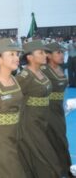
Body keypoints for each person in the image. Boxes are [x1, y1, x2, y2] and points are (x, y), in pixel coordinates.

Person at [16, 40, 63, 177]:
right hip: (31, 122)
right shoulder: (24, 76)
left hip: (44, 119)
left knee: (40, 153)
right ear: (30, 57)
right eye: (40, 52)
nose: (45, 55)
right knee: (45, 154)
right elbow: (15, 97)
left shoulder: (41, 72)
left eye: (45, 52)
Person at [0, 38, 26, 177]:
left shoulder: (15, 79)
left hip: (15, 136)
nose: (17, 58)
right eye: (11, 54)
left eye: (17, 54)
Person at [42, 42, 72, 177]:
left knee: (60, 138)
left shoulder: (60, 69)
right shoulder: (43, 71)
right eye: (58, 52)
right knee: (56, 138)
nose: (61, 55)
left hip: (59, 108)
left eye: (62, 52)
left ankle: (63, 168)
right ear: (48, 55)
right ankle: (57, 169)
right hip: (48, 109)